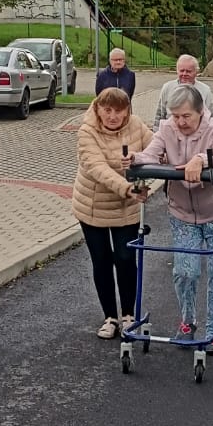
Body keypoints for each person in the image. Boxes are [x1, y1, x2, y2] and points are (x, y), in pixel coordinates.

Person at [133, 84, 213, 346]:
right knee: (185, 271)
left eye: (186, 116)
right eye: (176, 116)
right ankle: (188, 320)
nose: (180, 122)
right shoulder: (167, 128)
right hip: (181, 211)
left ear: (200, 112)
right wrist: (135, 159)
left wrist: (201, 159)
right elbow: (150, 155)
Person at [72, 87, 153, 337]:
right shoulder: (87, 131)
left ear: (127, 110)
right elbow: (97, 168)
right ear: (97, 109)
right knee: (102, 261)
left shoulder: (137, 125)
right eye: (107, 110)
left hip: (126, 206)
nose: (113, 116)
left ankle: (129, 315)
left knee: (126, 258)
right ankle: (110, 317)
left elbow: (156, 150)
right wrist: (128, 188)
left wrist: (142, 160)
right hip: (93, 206)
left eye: (119, 111)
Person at [154, 53, 213, 124]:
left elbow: (211, 117)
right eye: (181, 71)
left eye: (188, 71)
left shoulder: (205, 90)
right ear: (177, 71)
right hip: (171, 129)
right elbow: (160, 115)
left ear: (196, 72)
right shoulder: (167, 88)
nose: (184, 74)